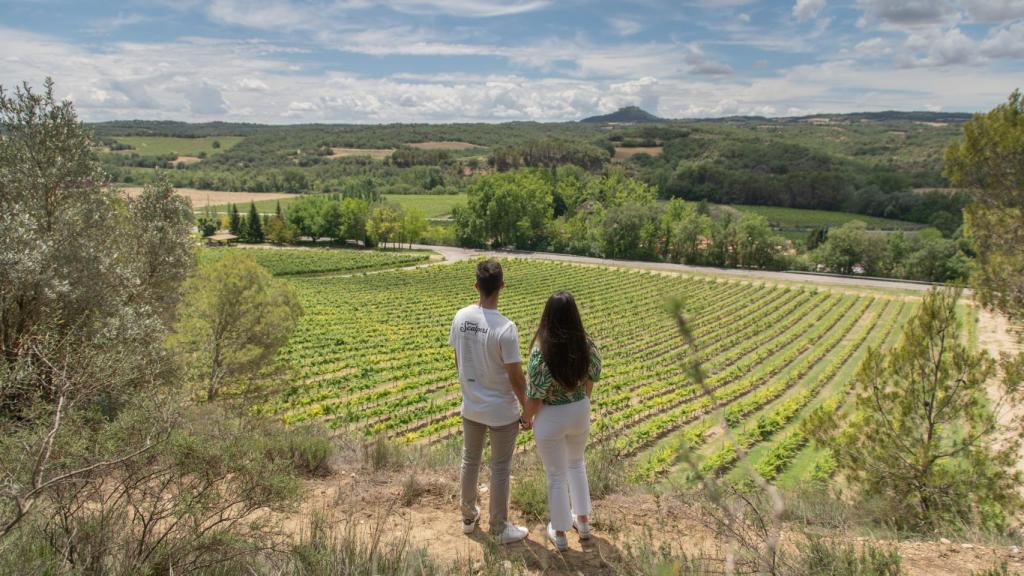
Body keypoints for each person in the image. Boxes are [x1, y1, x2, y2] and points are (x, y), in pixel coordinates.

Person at [449, 259, 529, 544]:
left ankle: (468, 517)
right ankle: (498, 527)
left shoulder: (460, 317)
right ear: (502, 286)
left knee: (469, 460)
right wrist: (527, 410)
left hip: (471, 405)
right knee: (500, 468)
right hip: (501, 411)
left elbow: (458, 359)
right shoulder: (506, 328)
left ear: (476, 286)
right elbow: (517, 377)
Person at [521, 291, 601, 552]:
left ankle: (560, 533)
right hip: (579, 411)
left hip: (552, 416)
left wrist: (526, 418)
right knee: (577, 464)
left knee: (556, 475)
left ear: (548, 316)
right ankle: (584, 523)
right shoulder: (587, 346)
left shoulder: (541, 351)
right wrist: (581, 403)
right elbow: (591, 379)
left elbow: (535, 396)